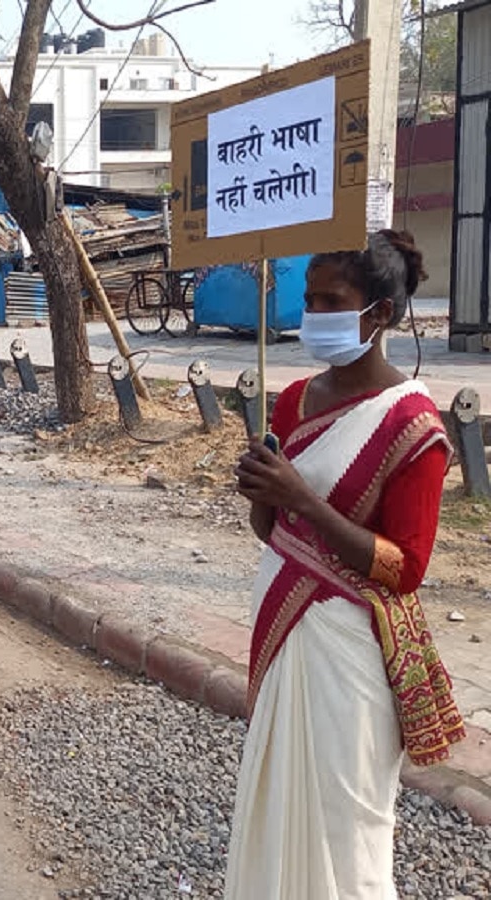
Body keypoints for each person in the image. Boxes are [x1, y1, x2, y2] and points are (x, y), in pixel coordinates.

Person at [226, 230, 466, 899]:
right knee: (278, 799)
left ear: (379, 313)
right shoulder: (295, 399)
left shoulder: (412, 424)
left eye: (332, 300)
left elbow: (406, 567)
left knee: (346, 827)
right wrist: (262, 494)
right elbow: (273, 532)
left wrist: (304, 498)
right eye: (309, 299)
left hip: (351, 651)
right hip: (282, 624)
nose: (314, 313)